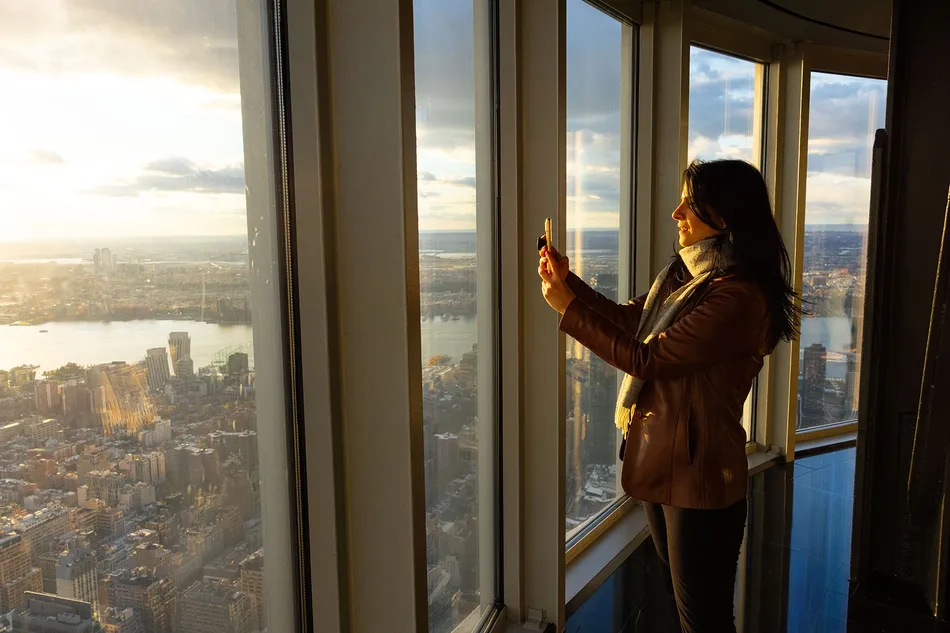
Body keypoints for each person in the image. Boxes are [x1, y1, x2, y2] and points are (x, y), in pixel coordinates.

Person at [539, 159, 801, 633]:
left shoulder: (737, 298)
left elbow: (646, 359)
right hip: (668, 464)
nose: (676, 212)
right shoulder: (690, 282)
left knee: (703, 619)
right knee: (684, 604)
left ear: (725, 216)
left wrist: (570, 310)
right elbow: (631, 323)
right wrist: (567, 285)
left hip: (698, 477)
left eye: (691, 204)